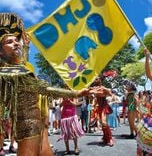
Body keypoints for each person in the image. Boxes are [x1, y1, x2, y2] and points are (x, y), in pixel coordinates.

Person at [0, 13, 91, 156]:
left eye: (16, 40)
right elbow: (44, 88)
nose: (16, 43)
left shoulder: (18, 69)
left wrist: (26, 47)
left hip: (39, 122)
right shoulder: (9, 73)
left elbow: (24, 63)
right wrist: (76, 93)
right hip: (27, 128)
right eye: (9, 42)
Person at [59, 86, 85, 155]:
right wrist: (64, 101)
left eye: (68, 86)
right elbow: (60, 105)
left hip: (72, 115)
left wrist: (69, 101)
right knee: (65, 133)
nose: (67, 88)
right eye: (66, 86)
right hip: (64, 116)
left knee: (74, 132)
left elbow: (75, 104)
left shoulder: (74, 94)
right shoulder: (63, 95)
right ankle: (67, 149)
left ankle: (76, 148)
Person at [89, 76, 114, 146]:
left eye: (97, 79)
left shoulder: (103, 88)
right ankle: (105, 138)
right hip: (99, 108)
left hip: (104, 107)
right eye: (95, 79)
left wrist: (110, 99)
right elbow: (94, 97)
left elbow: (111, 95)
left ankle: (110, 138)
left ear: (100, 80)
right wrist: (94, 105)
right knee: (102, 124)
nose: (95, 80)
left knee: (104, 122)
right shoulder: (94, 89)